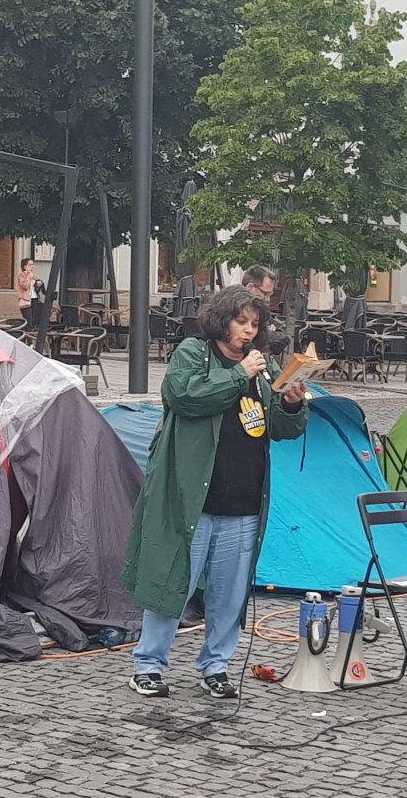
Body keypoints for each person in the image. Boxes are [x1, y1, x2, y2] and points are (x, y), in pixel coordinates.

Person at [123, 286, 308, 699]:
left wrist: (293, 404)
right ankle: (149, 664)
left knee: (229, 593)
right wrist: (239, 374)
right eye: (241, 321)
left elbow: (281, 427)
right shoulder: (194, 353)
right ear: (222, 320)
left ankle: (216, 666)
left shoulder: (263, 368)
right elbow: (184, 396)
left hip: (242, 503)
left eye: (255, 324)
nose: (248, 331)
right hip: (192, 501)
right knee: (174, 583)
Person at [241, 265, 290, 355]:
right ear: (250, 287)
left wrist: (267, 334)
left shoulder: (262, 311)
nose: (268, 299)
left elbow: (283, 338)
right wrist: (268, 334)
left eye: (270, 295)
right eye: (265, 294)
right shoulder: (233, 309)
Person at [16, 258, 44, 328]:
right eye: (30, 265)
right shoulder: (21, 275)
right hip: (26, 301)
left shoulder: (33, 275)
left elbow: (36, 288)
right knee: (28, 321)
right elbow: (25, 286)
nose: (32, 266)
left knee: (35, 320)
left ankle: (31, 335)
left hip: (34, 299)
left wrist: (39, 284)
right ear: (25, 266)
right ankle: (25, 335)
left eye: (33, 264)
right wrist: (29, 277)